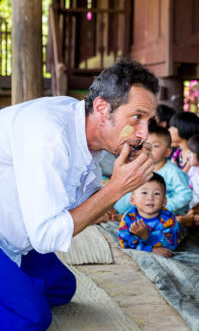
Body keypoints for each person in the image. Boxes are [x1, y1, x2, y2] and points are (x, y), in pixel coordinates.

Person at [0, 60, 158, 329]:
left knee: (62, 287)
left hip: (18, 236)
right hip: (16, 235)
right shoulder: (48, 137)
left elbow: (82, 196)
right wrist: (115, 188)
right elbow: (47, 236)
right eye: (136, 117)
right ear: (101, 108)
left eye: (148, 121)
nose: (143, 133)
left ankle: (16, 286)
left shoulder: (84, 126)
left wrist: (115, 185)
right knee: (31, 318)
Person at [114, 125, 192, 216]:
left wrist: (163, 206)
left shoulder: (173, 172)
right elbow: (131, 193)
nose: (149, 149)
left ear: (168, 152)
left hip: (168, 214)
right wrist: (117, 209)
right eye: (146, 145)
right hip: (144, 213)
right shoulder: (141, 169)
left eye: (155, 146)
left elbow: (186, 195)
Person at [117, 173, 182, 257]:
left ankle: (185, 220)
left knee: (182, 228)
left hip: (179, 229)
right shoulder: (129, 217)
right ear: (133, 200)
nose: (150, 197)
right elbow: (124, 243)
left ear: (164, 201)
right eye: (144, 192)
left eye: (156, 194)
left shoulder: (168, 219)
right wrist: (149, 249)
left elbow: (172, 244)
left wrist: (148, 237)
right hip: (145, 247)